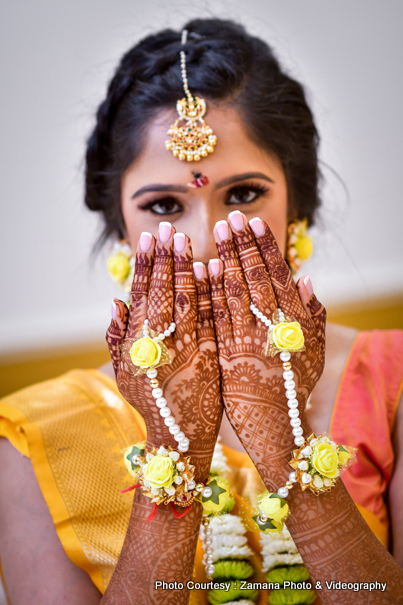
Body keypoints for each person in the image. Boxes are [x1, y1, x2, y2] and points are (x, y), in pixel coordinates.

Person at [0, 17, 402, 605]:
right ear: (120, 229)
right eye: (164, 205)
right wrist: (174, 453)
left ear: (298, 205)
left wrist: (282, 442)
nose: (209, 243)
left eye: (243, 195)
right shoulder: (37, 436)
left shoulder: (392, 381)